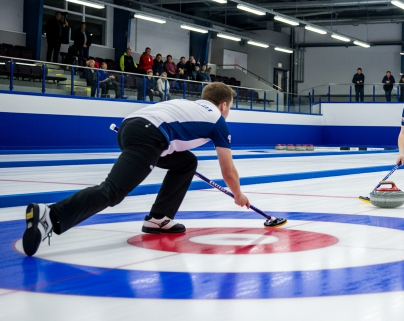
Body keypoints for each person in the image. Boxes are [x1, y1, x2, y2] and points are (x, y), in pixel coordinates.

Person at [22, 83, 250, 257]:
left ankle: (159, 218)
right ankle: (49, 216)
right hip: (149, 136)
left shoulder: (188, 105)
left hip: (130, 128)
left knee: (187, 162)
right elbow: (227, 169)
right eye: (229, 107)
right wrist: (238, 194)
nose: (228, 112)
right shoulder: (218, 120)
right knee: (113, 191)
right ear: (224, 105)